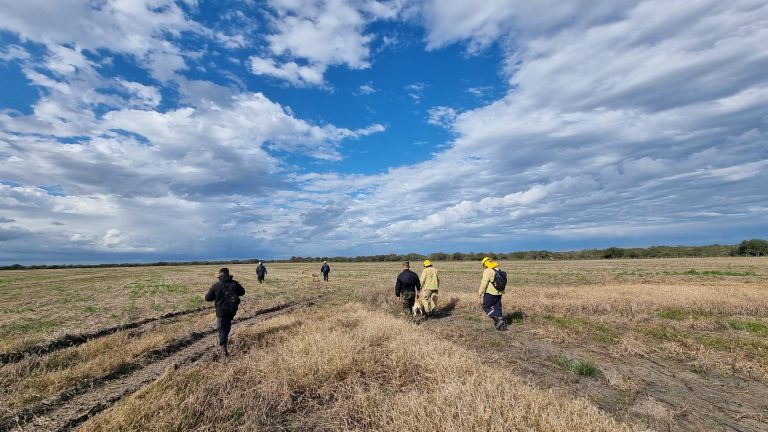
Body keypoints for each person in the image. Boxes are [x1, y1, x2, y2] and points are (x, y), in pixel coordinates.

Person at [205, 268, 245, 357]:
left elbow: (207, 298)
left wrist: (213, 292)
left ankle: (223, 349)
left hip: (221, 311)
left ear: (220, 275)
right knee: (226, 327)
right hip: (232, 310)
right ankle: (224, 343)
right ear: (228, 274)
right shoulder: (234, 283)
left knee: (222, 329)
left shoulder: (216, 285)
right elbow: (242, 292)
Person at [478, 257, 507, 331]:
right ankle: (501, 326)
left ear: (485, 264)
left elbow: (484, 282)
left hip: (490, 293)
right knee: (497, 307)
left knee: (486, 307)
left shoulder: (487, 270)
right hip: (499, 292)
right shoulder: (498, 269)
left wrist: (480, 292)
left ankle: (497, 319)